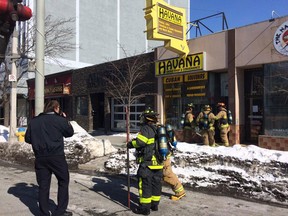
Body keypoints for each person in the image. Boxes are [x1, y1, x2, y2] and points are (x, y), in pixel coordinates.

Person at [25, 100, 74, 216]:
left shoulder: (34, 121)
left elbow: (27, 139)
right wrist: (65, 120)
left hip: (40, 157)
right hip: (56, 156)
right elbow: (69, 133)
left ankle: (44, 212)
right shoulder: (59, 120)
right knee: (63, 181)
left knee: (43, 185)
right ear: (56, 108)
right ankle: (60, 212)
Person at [127, 108, 163, 215]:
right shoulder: (159, 129)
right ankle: (154, 204)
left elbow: (140, 142)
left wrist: (130, 144)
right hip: (159, 162)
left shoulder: (146, 129)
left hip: (148, 163)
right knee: (156, 184)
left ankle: (145, 208)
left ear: (146, 118)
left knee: (145, 185)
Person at [163, 124, 186, 201]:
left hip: (164, 155)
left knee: (167, 174)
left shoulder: (157, 131)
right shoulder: (163, 131)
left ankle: (180, 192)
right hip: (165, 153)